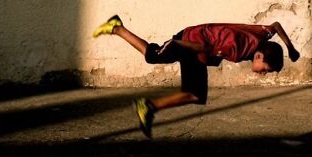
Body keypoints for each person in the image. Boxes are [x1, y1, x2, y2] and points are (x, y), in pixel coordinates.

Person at [92, 15, 300, 138]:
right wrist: (177, 45)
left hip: (199, 41)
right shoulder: (235, 48)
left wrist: (290, 49)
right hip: (192, 41)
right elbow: (204, 48)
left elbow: (276, 26)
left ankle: (117, 28)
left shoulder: (263, 36)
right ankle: (147, 106)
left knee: (165, 68)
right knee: (184, 85)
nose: (263, 74)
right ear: (259, 55)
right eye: (265, 69)